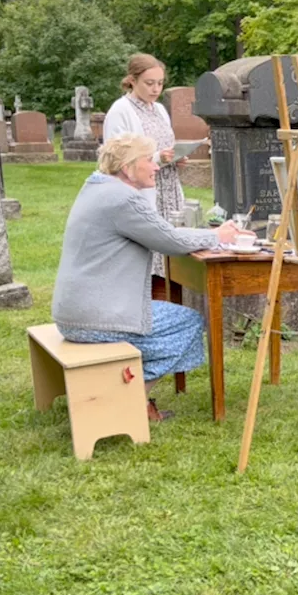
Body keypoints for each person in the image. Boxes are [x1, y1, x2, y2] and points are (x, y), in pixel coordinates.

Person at [52, 134, 241, 421]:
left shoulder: (96, 187)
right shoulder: (123, 199)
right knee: (190, 323)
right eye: (148, 160)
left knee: (171, 320)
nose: (156, 167)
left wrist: (209, 236)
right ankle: (130, 400)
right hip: (97, 320)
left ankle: (123, 393)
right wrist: (218, 235)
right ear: (128, 167)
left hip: (73, 313)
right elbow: (170, 240)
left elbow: (163, 233)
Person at [103, 54, 184, 288]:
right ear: (132, 80)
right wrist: (158, 158)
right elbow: (117, 159)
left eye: (160, 83)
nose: (156, 89)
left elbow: (165, 143)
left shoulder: (159, 110)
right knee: (147, 256)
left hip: (168, 189)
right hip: (142, 190)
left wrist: (175, 157)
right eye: (149, 83)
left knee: (172, 253)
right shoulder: (121, 111)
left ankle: (172, 298)